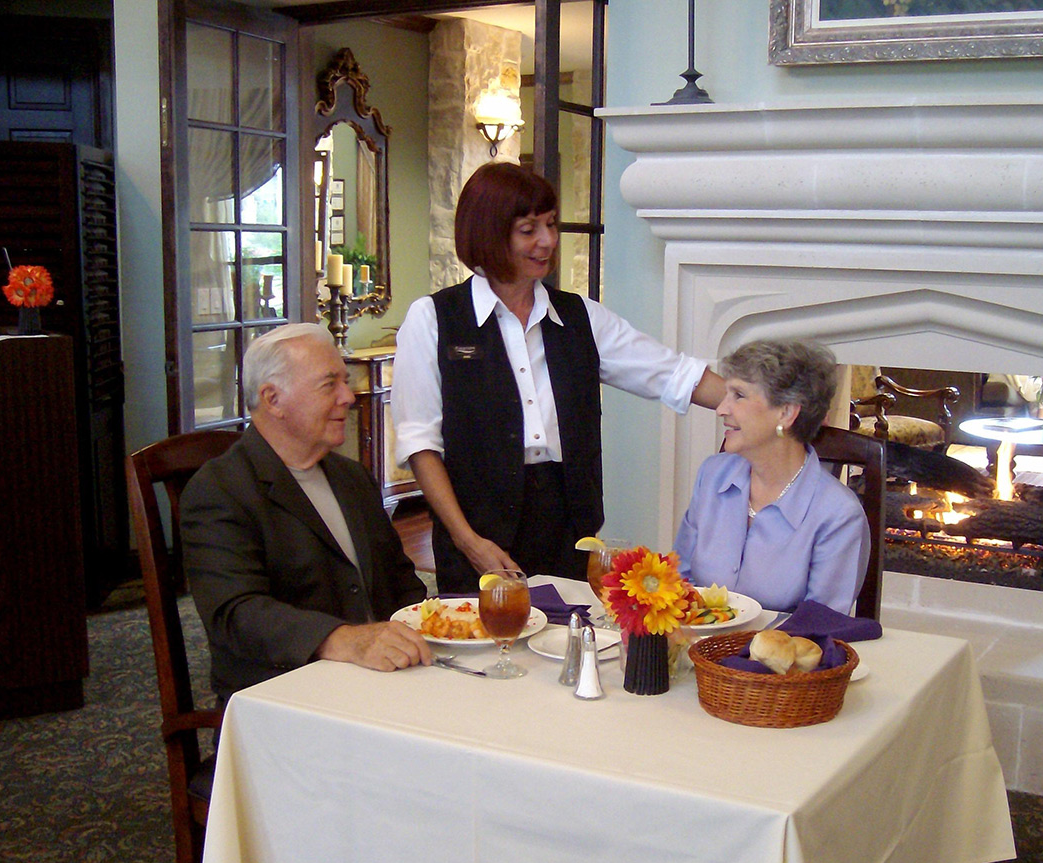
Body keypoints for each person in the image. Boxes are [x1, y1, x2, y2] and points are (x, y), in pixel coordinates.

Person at [392, 161, 725, 593]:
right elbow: (421, 444)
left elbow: (671, 373)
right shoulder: (434, 319)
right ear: (489, 233)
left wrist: (757, 406)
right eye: (528, 230)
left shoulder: (579, 316)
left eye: (550, 225)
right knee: (484, 653)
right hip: (477, 526)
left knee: (568, 638)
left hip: (568, 523)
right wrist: (467, 540)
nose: (547, 241)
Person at [181, 323, 431, 709]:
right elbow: (236, 613)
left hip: (386, 685)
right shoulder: (220, 490)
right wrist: (345, 639)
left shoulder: (352, 478)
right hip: (286, 698)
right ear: (273, 399)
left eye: (344, 382)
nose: (348, 396)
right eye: (329, 384)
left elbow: (400, 581)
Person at [673, 339, 869, 614]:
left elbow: (821, 628)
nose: (721, 409)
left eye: (738, 395)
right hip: (696, 648)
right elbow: (679, 581)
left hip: (779, 655)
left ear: (786, 413)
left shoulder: (839, 515)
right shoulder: (713, 475)